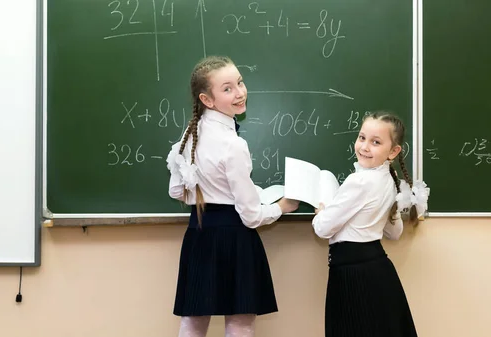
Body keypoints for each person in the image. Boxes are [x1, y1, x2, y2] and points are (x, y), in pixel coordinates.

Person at [166, 55, 299, 337]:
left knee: (193, 320)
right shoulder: (233, 144)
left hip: (199, 234)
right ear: (207, 99)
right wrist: (281, 207)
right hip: (235, 236)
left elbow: (176, 190)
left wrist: (208, 188)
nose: (239, 92)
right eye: (227, 88)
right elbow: (250, 216)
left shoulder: (189, 136)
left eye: (240, 82)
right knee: (239, 322)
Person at [311, 112, 429, 337]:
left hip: (353, 273)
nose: (364, 146)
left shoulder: (360, 181)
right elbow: (395, 233)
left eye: (376, 142)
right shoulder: (388, 180)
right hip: (377, 270)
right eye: (362, 137)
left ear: (393, 151)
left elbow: (322, 228)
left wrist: (322, 211)